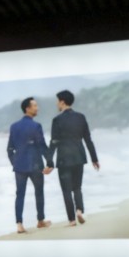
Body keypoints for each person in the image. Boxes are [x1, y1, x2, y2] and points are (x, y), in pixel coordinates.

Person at [47, 90, 99, 227]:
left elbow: (54, 142)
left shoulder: (57, 120)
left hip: (64, 159)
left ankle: (71, 220)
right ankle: (79, 210)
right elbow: (88, 139)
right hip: (79, 157)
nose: (57, 103)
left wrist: (49, 162)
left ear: (62, 101)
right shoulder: (81, 117)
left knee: (66, 190)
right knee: (77, 187)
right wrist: (94, 158)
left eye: (58, 100)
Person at [7, 97, 53, 234]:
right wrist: (50, 162)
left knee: (19, 194)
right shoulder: (36, 126)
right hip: (35, 165)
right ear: (27, 108)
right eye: (34, 106)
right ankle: (40, 220)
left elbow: (10, 149)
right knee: (39, 192)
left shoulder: (14, 126)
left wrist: (15, 162)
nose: (37, 108)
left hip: (19, 166)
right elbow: (42, 146)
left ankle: (19, 224)